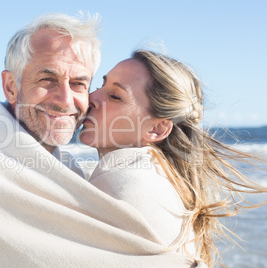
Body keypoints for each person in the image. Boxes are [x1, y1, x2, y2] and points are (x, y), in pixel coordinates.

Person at [0, 14, 205, 267]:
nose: (68, 100)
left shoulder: (77, 171)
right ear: (11, 87)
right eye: (47, 79)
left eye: (79, 83)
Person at [79, 49, 267, 268]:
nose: (91, 97)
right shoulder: (159, 175)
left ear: (157, 129)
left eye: (115, 96)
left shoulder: (125, 184)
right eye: (101, 85)